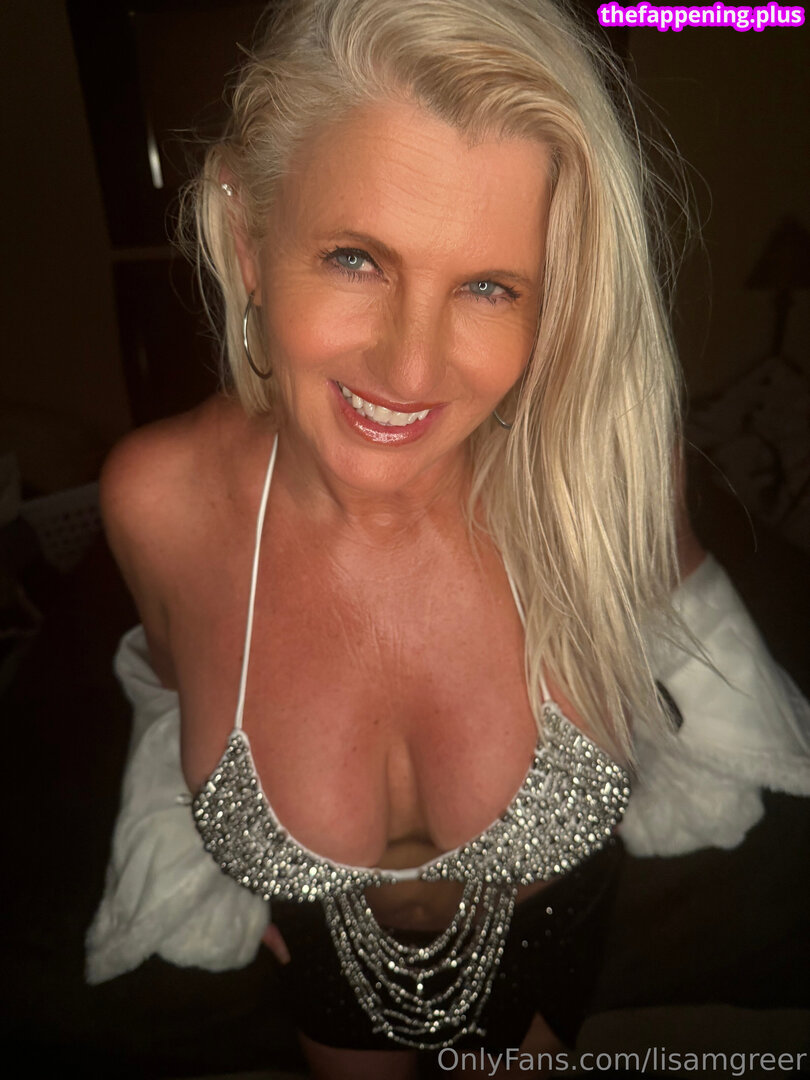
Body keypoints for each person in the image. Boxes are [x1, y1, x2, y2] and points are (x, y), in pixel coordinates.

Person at [85, 1, 810, 1077]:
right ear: (247, 234)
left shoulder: (606, 475)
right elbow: (171, 685)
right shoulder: (156, 501)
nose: (411, 370)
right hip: (329, 967)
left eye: (487, 285)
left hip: (554, 940)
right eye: (356, 258)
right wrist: (219, 875)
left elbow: (701, 637)